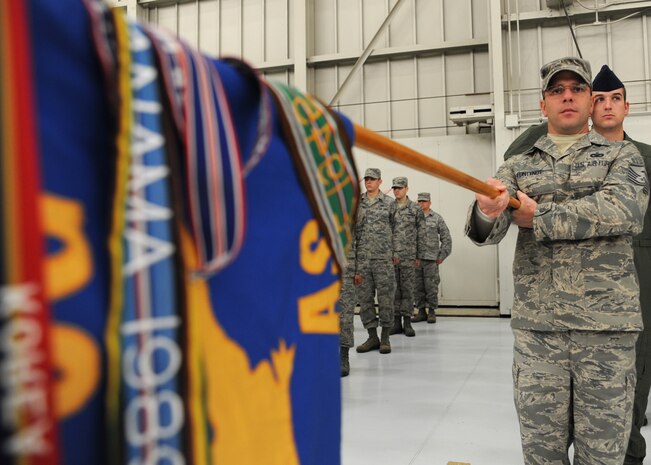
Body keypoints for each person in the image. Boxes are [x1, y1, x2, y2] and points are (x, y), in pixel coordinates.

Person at [466, 57, 649, 464]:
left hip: (605, 333)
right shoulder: (517, 164)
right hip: (539, 335)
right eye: (556, 90)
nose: (567, 96)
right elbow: (486, 234)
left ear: (589, 101)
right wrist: (486, 210)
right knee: (541, 454)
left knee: (602, 455)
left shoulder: (623, 157)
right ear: (543, 104)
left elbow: (623, 210)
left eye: (576, 89)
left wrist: (540, 217)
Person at [354, 168, 397, 354]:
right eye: (366, 179)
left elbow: (397, 231)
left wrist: (395, 254)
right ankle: (372, 337)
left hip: (383, 259)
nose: (368, 182)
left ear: (380, 181)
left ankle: (386, 337)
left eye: (372, 179)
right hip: (363, 260)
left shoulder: (389, 203)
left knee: (386, 298)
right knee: (365, 300)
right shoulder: (358, 203)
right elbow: (353, 232)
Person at [388, 177, 425, 337]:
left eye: (400, 188)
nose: (397, 191)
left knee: (408, 290)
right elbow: (386, 232)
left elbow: (421, 233)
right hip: (392, 256)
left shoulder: (415, 209)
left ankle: (407, 322)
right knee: (394, 290)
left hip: (409, 257)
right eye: (395, 188)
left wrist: (419, 256)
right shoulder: (389, 208)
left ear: (406, 189)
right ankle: (396, 323)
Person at [412, 192, 452, 324]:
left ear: (429, 203)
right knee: (417, 287)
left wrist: (442, 256)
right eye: (419, 201)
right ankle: (421, 312)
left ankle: (432, 312)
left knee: (431, 287)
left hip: (431, 260)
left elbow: (446, 237)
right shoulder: (413, 218)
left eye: (424, 201)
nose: (421, 204)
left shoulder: (436, 218)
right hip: (416, 260)